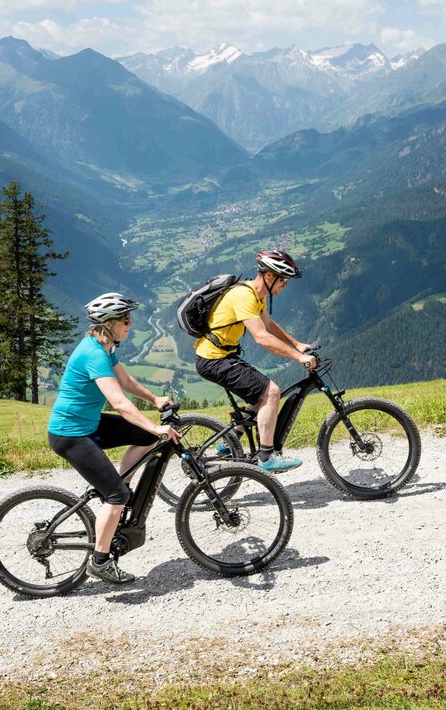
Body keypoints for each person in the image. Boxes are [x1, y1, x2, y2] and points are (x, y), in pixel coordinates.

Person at [48, 292, 180, 585]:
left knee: (144, 437)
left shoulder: (105, 347)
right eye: (125, 319)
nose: (130, 324)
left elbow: (125, 380)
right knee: (117, 495)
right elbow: (119, 402)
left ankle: (119, 487)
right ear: (107, 323)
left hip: (88, 424)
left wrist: (154, 398)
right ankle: (100, 560)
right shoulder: (93, 354)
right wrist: (157, 427)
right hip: (70, 434)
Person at [194, 249, 317, 472]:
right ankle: (266, 458)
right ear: (268, 276)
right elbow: (262, 337)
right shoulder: (244, 296)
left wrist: (297, 344)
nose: (286, 285)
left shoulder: (255, 295)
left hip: (222, 356)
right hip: (213, 360)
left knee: (260, 398)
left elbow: (268, 325)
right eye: (283, 279)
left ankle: (227, 444)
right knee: (271, 392)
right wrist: (299, 357)